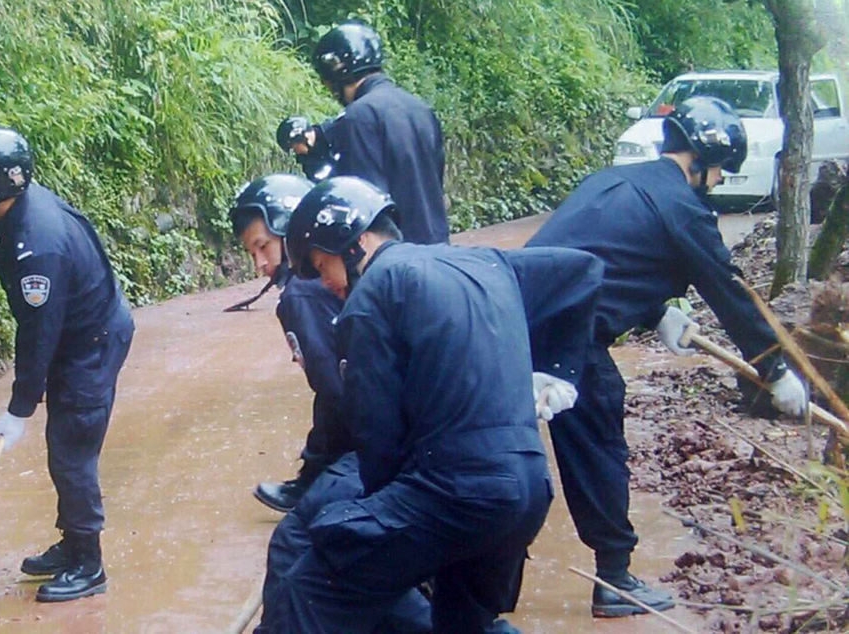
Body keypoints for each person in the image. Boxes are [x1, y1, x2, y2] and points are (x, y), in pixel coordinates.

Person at [261, 176, 605, 633]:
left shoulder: (370, 300)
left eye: (323, 265)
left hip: (454, 494)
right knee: (457, 625)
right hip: (526, 491)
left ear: (357, 241)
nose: (325, 282)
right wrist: (557, 371)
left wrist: (371, 522)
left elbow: (378, 446)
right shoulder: (481, 261)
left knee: (311, 583)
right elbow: (582, 272)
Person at [526, 96, 809, 617]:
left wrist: (656, 311)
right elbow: (731, 293)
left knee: (495, 446)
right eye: (722, 171)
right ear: (701, 162)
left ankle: (450, 576)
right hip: (567, 335)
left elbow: (604, 255)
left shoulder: (615, 181)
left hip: (510, 312)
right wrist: (776, 369)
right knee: (598, 442)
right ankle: (614, 579)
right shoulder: (684, 208)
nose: (721, 183)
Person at [0, 127, 135, 603]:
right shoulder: (14, 211)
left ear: (9, 181)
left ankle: (89, 564)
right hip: (75, 331)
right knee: (65, 444)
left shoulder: (40, 244)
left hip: (90, 341)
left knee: (71, 446)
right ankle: (72, 543)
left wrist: (19, 407)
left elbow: (38, 332)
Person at [229, 174, 353, 512]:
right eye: (252, 252)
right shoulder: (346, 270)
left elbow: (335, 393)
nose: (260, 265)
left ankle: (319, 481)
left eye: (263, 246)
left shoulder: (300, 295)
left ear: (293, 231)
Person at [295, 22, 449, 244]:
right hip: (437, 245)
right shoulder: (420, 108)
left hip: (397, 255)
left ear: (337, 72)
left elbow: (364, 198)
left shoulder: (358, 117)